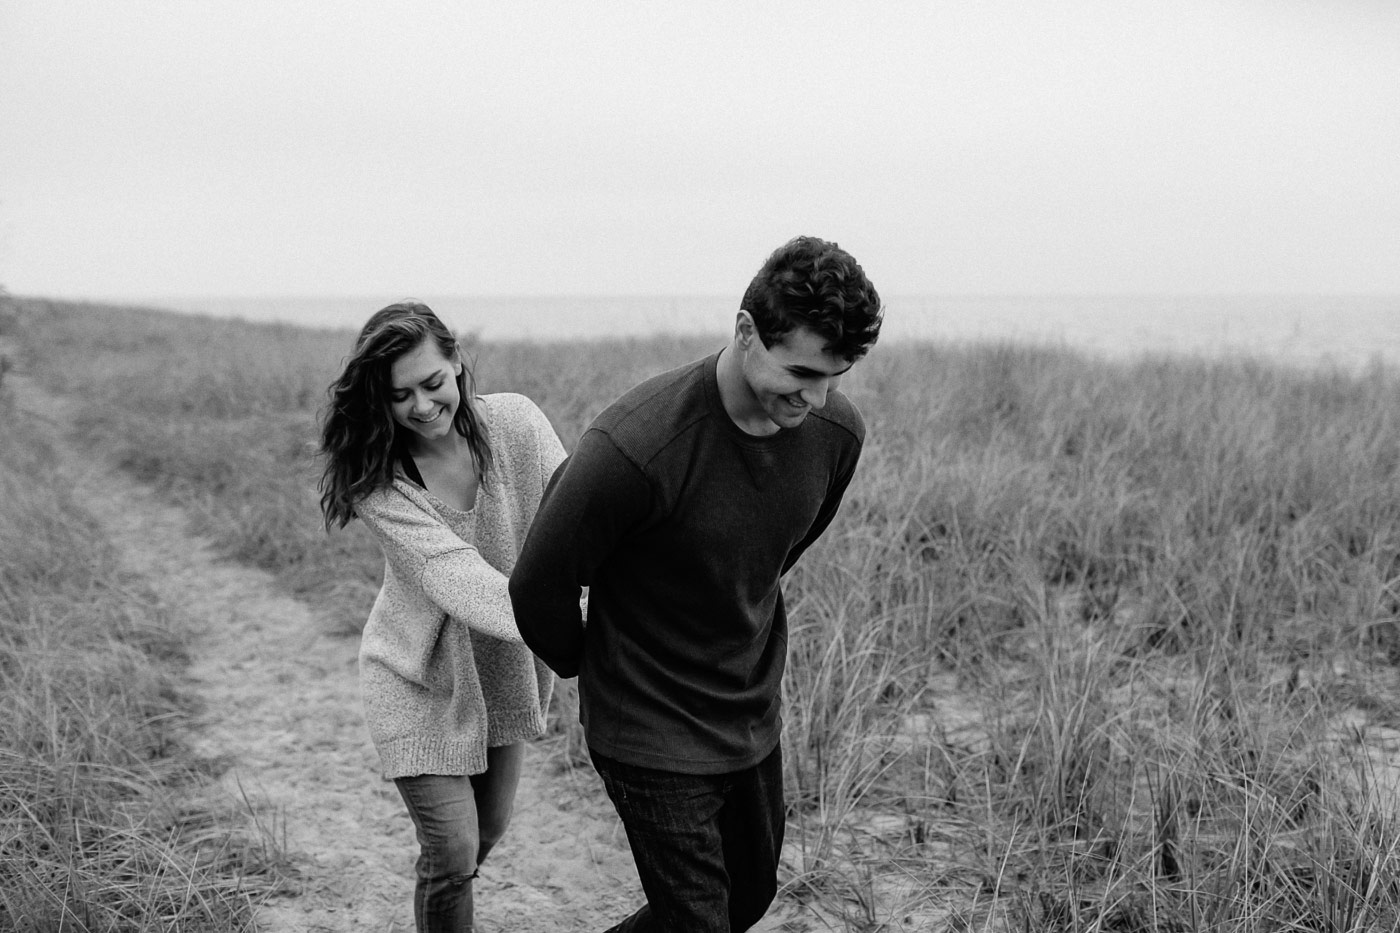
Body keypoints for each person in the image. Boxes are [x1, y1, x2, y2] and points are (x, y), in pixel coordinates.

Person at [508, 236, 883, 931]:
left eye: (836, 374)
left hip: (748, 707)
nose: (818, 397)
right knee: (698, 920)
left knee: (746, 897)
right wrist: (599, 666)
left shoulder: (836, 435)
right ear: (746, 331)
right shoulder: (636, 444)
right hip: (645, 723)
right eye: (800, 371)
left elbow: (774, 555)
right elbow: (537, 585)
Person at [318, 301, 563, 933]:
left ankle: (442, 902)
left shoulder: (515, 424)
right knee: (454, 849)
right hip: (417, 676)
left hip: (503, 667)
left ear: (457, 365)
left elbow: (577, 514)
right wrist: (574, 620)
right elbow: (455, 575)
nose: (422, 407)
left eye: (433, 384)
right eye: (400, 396)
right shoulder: (381, 483)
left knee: (485, 835)